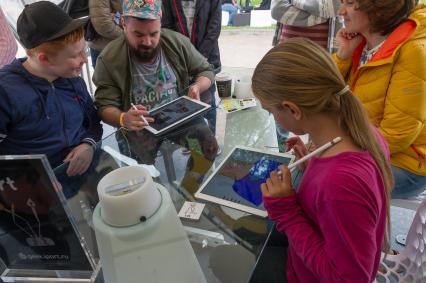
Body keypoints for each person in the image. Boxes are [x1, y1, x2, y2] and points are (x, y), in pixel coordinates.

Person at [252, 37, 393, 282]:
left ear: (293, 109)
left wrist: (287, 213)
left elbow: (349, 278)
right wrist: (312, 164)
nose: (274, 118)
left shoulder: (339, 183)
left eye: (271, 111)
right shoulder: (363, 132)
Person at [93, 0, 218, 165]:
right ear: (124, 23)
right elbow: (104, 106)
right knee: (140, 173)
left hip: (179, 119)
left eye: (153, 34)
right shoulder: (109, 59)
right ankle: (155, 190)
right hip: (139, 128)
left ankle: (188, 189)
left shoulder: (176, 42)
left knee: (208, 149)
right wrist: (123, 118)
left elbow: (206, 71)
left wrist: (197, 86)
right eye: (138, 35)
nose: (147, 42)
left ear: (160, 23)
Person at [0, 1, 103, 197]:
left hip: (79, 174)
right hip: (33, 193)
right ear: (43, 59)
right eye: (75, 55)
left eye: (84, 49)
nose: (84, 59)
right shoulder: (6, 93)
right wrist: (28, 178)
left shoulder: (72, 79)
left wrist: (88, 144)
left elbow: (93, 122)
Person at [334, 0, 426, 199]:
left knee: (328, 180)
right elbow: (320, 95)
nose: (341, 11)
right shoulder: (361, 43)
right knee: (307, 171)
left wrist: (338, 147)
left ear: (378, 7)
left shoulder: (413, 51)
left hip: (407, 164)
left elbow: (397, 134)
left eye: (349, 3)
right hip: (366, 146)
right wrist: (343, 56)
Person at [161, 0, 221, 133]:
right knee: (185, 103)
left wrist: (197, 58)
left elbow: (214, 28)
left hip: (206, 58)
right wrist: (182, 57)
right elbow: (167, 28)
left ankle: (210, 142)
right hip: (181, 62)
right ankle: (191, 141)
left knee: (207, 101)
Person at [88, 0, 122, 67]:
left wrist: (118, 17)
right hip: (107, 51)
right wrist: (130, 36)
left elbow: (143, 11)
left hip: (121, 48)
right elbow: (103, 24)